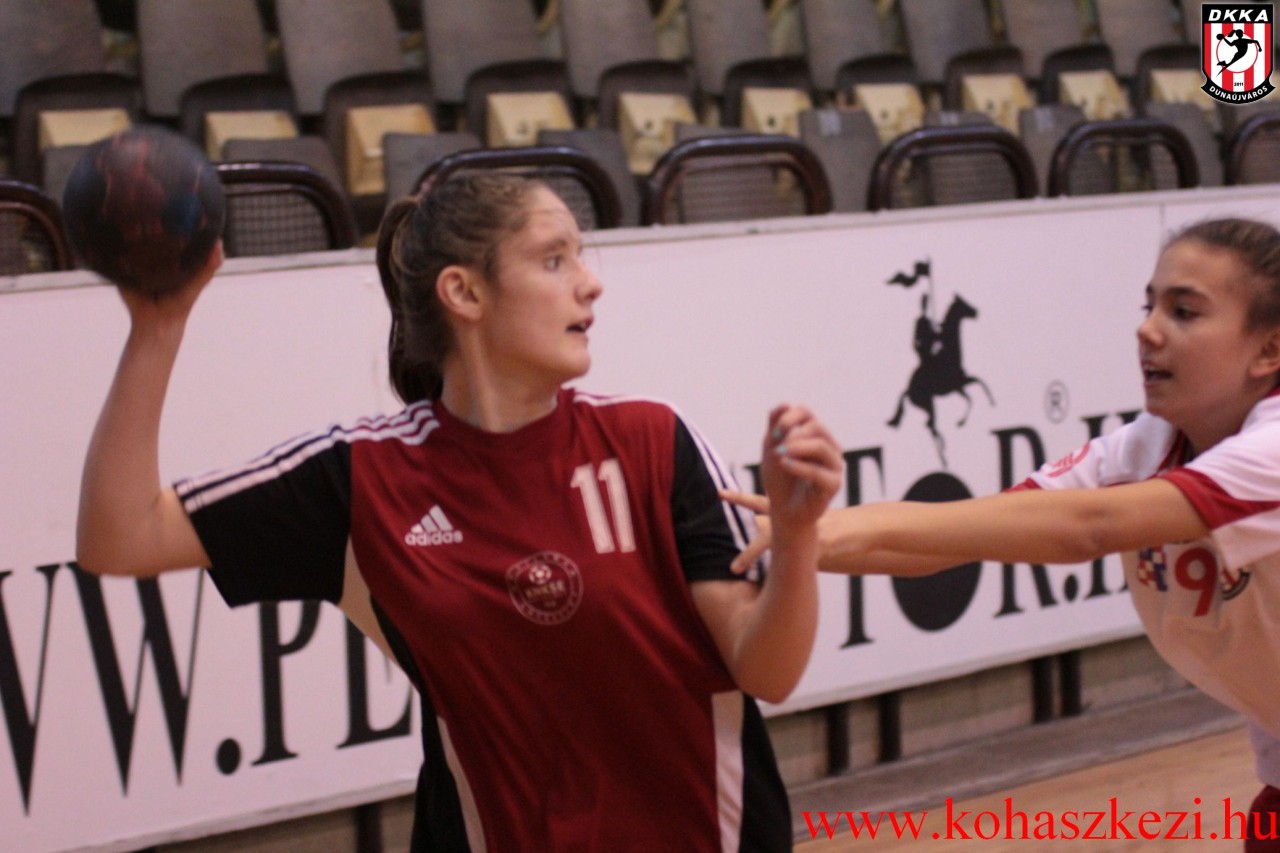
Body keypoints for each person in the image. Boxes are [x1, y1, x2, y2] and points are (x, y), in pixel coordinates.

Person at [76, 171, 843, 851]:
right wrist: (157, 327)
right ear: (465, 293)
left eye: (581, 256)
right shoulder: (362, 477)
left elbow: (766, 670)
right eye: (554, 259)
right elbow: (120, 537)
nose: (590, 283)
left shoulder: (653, 439)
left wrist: (798, 534)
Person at [725, 217, 1280, 850]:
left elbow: (1089, 528)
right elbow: (953, 539)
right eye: (1148, 305)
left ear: (1269, 351)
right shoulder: (1143, 447)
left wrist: (814, 530)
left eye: (1183, 311)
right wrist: (797, 537)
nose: (1147, 329)